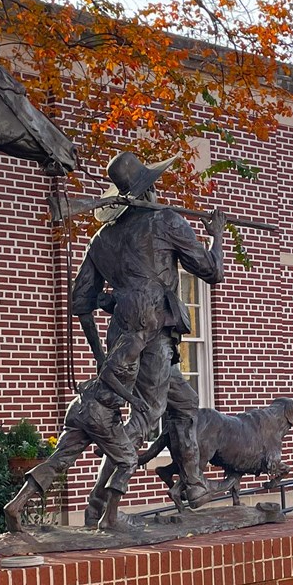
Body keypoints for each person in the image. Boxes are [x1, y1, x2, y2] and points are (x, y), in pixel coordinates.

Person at [69, 152, 226, 518]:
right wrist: (216, 235)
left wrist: (100, 344)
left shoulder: (101, 239)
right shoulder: (166, 221)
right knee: (145, 416)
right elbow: (212, 271)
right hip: (153, 333)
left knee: (185, 404)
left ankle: (194, 485)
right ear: (149, 188)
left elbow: (81, 302)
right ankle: (99, 503)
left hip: (123, 337)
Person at [2, 378, 135, 533]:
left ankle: (16, 504)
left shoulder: (108, 354)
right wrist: (134, 400)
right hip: (100, 413)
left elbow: (104, 367)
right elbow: (110, 374)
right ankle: (110, 519)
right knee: (128, 461)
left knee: (59, 460)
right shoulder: (131, 353)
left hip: (80, 404)